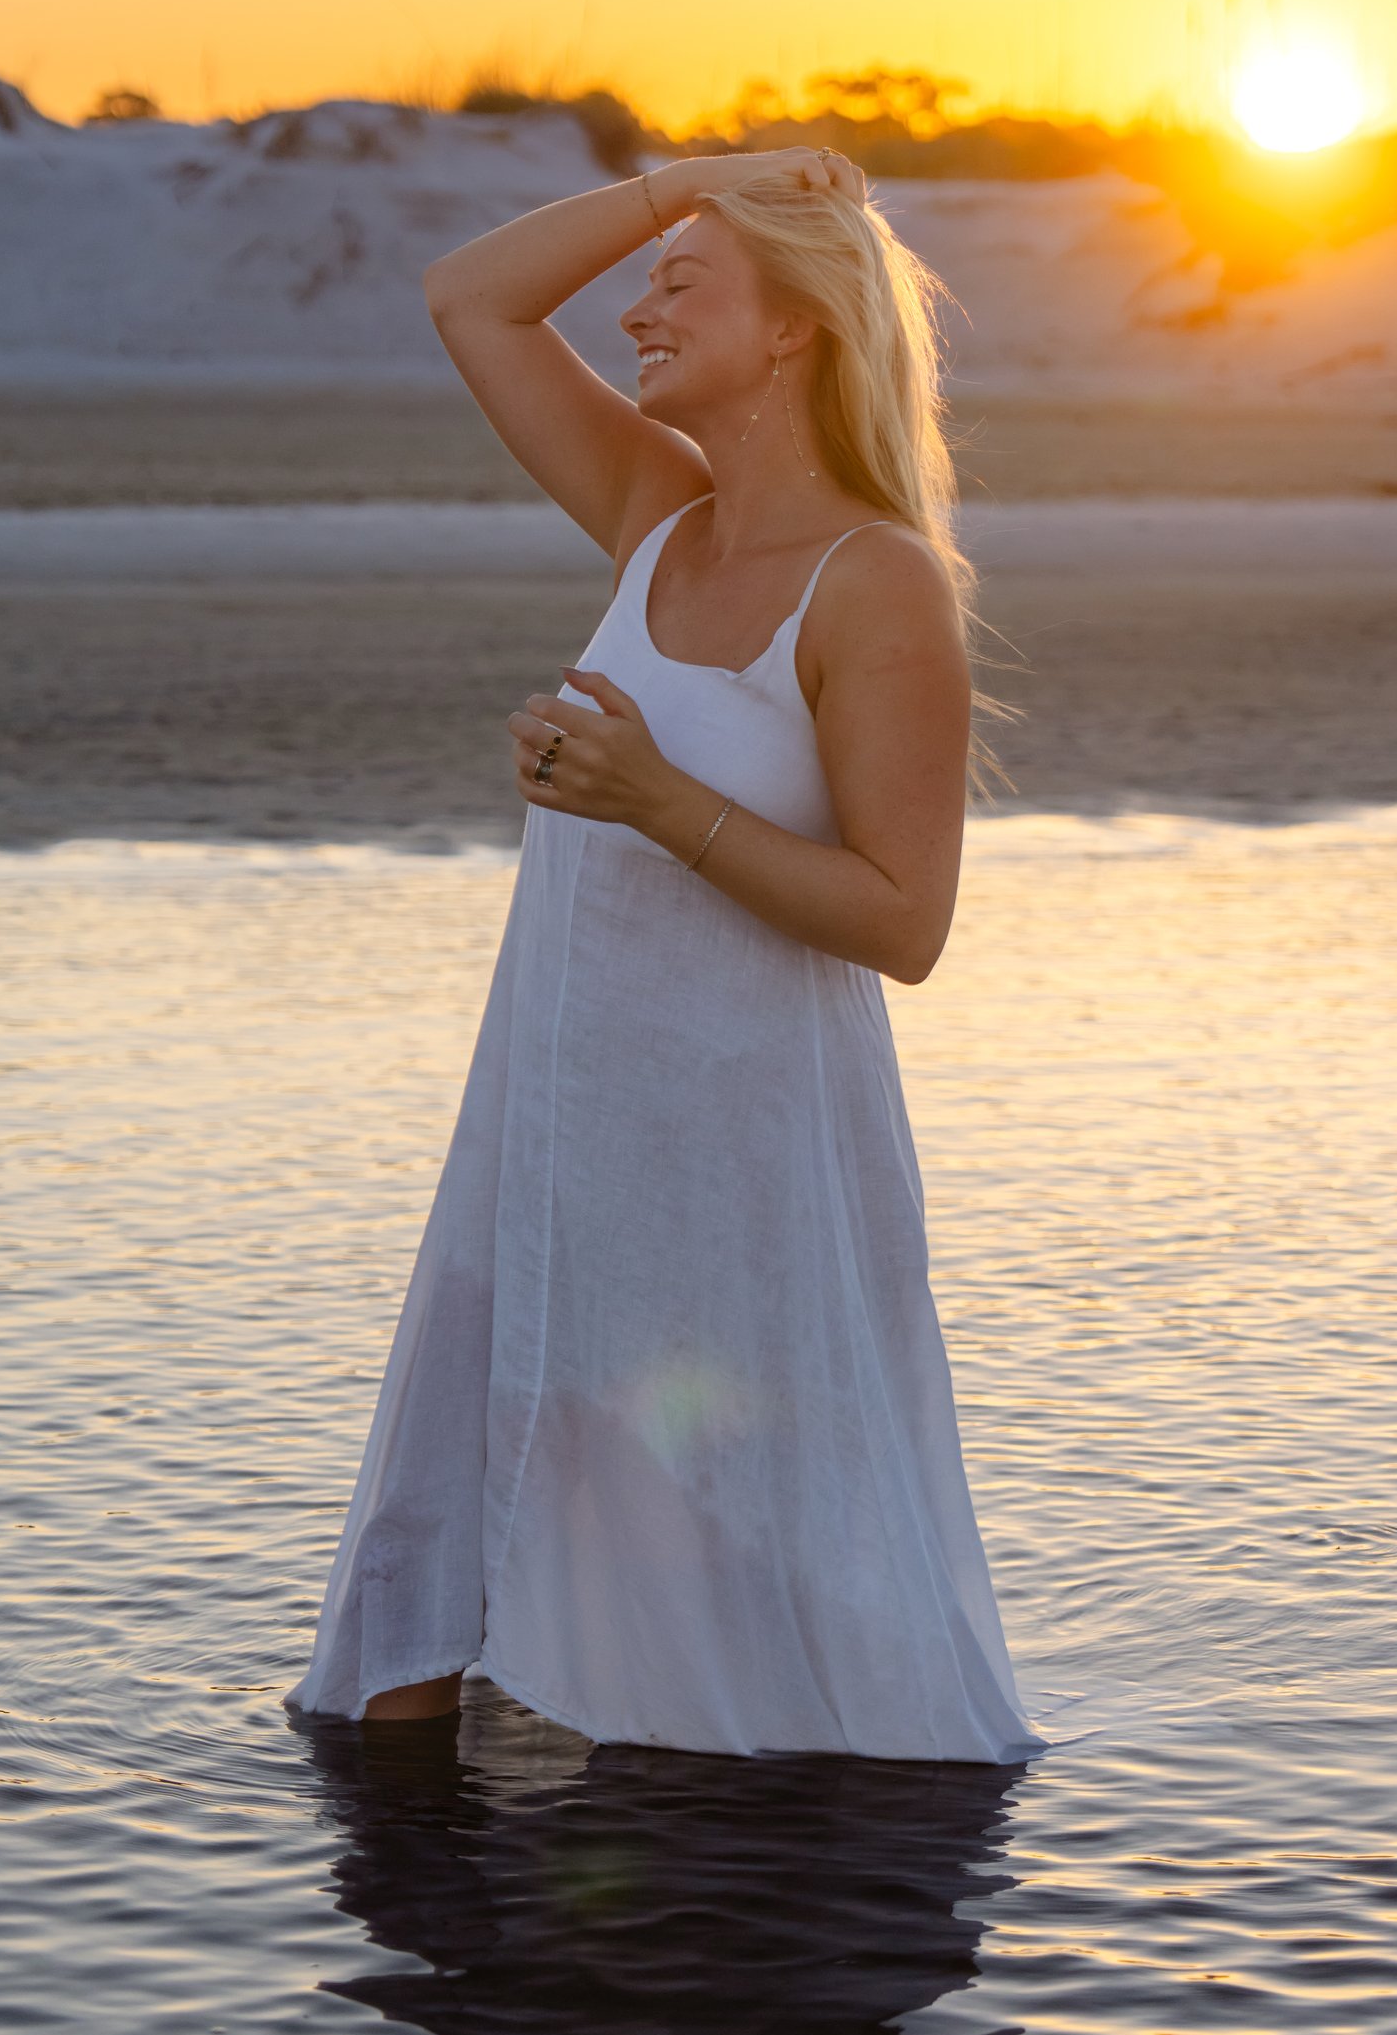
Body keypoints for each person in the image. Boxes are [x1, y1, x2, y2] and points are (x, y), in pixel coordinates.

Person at [286, 147, 1036, 1763]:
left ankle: (731, 1953)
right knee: (416, 1617)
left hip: (742, 1170)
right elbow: (469, 296)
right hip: (548, 1134)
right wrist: (685, 188)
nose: (635, 305)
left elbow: (907, 919)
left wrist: (651, 796)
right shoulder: (652, 519)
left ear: (794, 331)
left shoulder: (879, 581)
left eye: (684, 282)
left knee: (744, 1628)